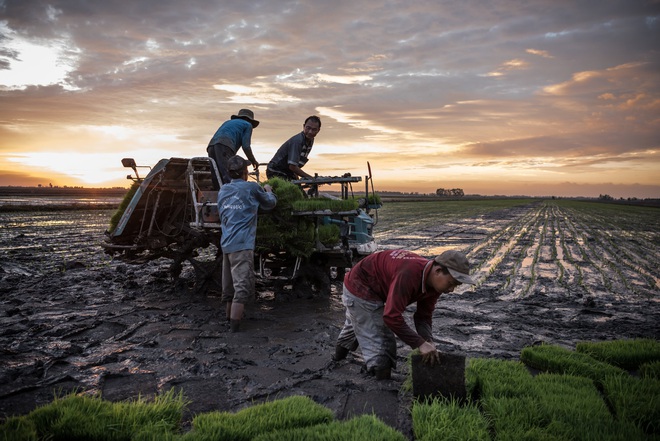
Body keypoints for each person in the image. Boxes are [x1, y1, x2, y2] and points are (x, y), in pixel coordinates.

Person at [333, 249, 476, 380]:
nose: (451, 289)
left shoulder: (433, 284)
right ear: (438, 270)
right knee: (382, 341)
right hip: (361, 286)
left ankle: (336, 360)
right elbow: (391, 317)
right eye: (451, 283)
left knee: (358, 321)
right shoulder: (409, 274)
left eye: (456, 286)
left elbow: (423, 316)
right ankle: (381, 385)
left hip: (373, 285)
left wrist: (428, 340)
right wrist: (419, 343)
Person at [218, 155, 277, 332]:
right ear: (245, 172)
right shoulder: (251, 187)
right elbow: (270, 203)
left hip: (226, 243)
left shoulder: (223, 190)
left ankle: (229, 320)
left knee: (229, 288)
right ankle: (234, 329)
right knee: (242, 287)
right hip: (242, 244)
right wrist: (268, 190)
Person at [207, 109, 260, 189]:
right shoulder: (248, 125)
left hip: (211, 146)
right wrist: (253, 160)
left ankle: (219, 195)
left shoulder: (227, 122)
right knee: (229, 173)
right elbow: (246, 146)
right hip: (224, 145)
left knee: (216, 174)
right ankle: (231, 195)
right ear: (249, 120)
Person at [266, 115, 321, 180]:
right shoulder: (297, 141)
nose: (310, 132)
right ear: (304, 126)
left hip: (287, 171)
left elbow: (295, 165)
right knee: (291, 189)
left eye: (314, 129)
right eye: (308, 128)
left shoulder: (310, 140)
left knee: (299, 189)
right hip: (276, 171)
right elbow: (292, 166)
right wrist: (310, 178)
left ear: (318, 130)